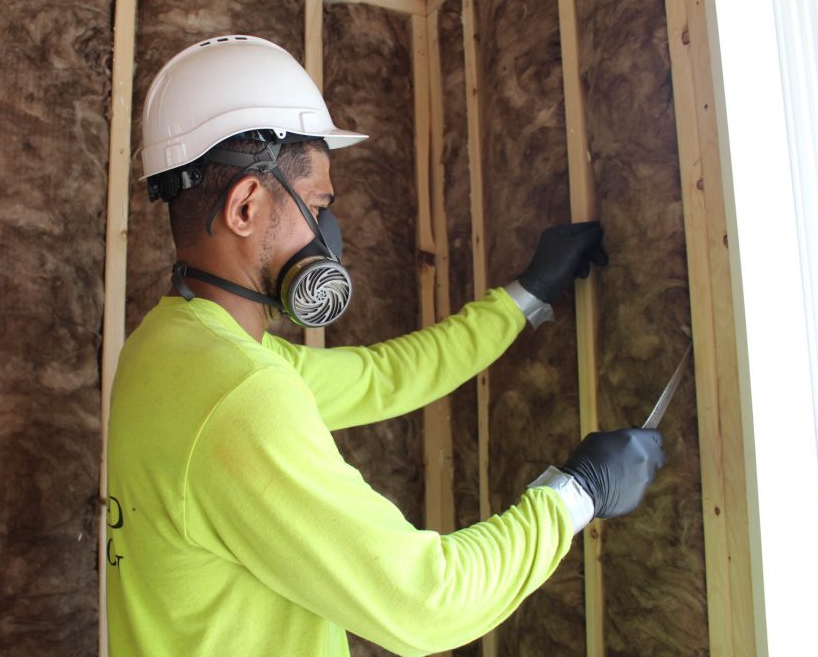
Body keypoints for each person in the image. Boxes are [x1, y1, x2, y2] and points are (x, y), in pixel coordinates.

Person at [105, 35, 664, 656]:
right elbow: (428, 602)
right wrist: (578, 493)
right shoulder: (239, 399)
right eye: (317, 205)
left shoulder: (167, 350)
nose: (329, 235)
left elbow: (384, 376)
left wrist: (527, 297)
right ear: (245, 206)